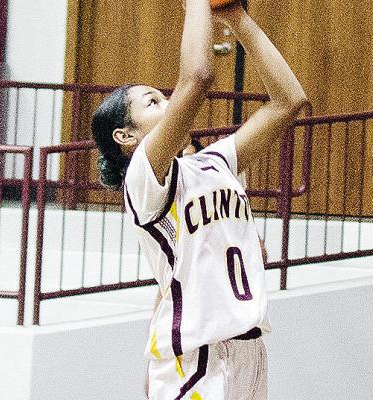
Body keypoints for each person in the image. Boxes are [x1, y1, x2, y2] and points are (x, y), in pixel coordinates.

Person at [91, 1, 308, 399]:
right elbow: (198, 76)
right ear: (125, 137)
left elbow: (289, 102)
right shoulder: (143, 178)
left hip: (249, 349)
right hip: (195, 359)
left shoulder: (215, 161)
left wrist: (238, 19)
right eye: (153, 102)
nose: (170, 104)